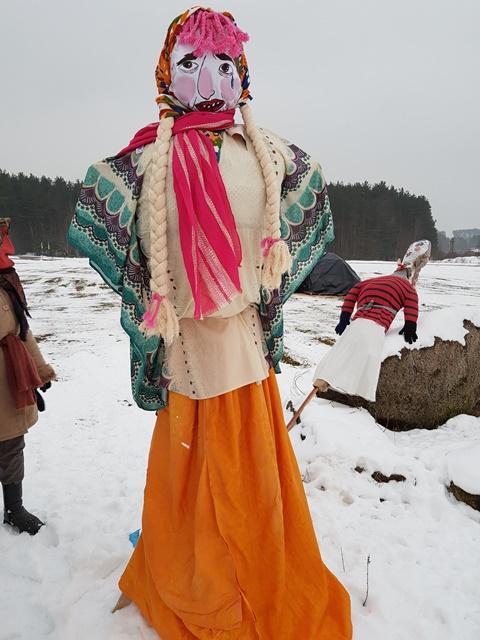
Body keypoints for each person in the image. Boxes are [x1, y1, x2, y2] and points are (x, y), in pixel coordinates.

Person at [68, 7, 352, 639]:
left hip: (244, 346)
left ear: (242, 74)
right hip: (185, 347)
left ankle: (251, 573)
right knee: (188, 472)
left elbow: (306, 193)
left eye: (225, 63)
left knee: (250, 469)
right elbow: (101, 209)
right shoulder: (148, 158)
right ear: (167, 72)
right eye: (191, 62)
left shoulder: (266, 152)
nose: (208, 77)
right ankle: (195, 575)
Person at [313, 242, 430, 403]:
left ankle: (323, 379)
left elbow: (353, 292)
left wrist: (345, 317)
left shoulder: (371, 281)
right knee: (367, 354)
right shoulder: (406, 287)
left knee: (342, 348)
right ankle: (355, 388)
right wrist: (410, 324)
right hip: (377, 323)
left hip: (358, 320)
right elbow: (412, 304)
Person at [0, 218, 56, 535]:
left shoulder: (7, 282)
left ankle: (14, 509)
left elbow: (22, 332)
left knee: (10, 446)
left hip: (9, 379)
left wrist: (40, 372)